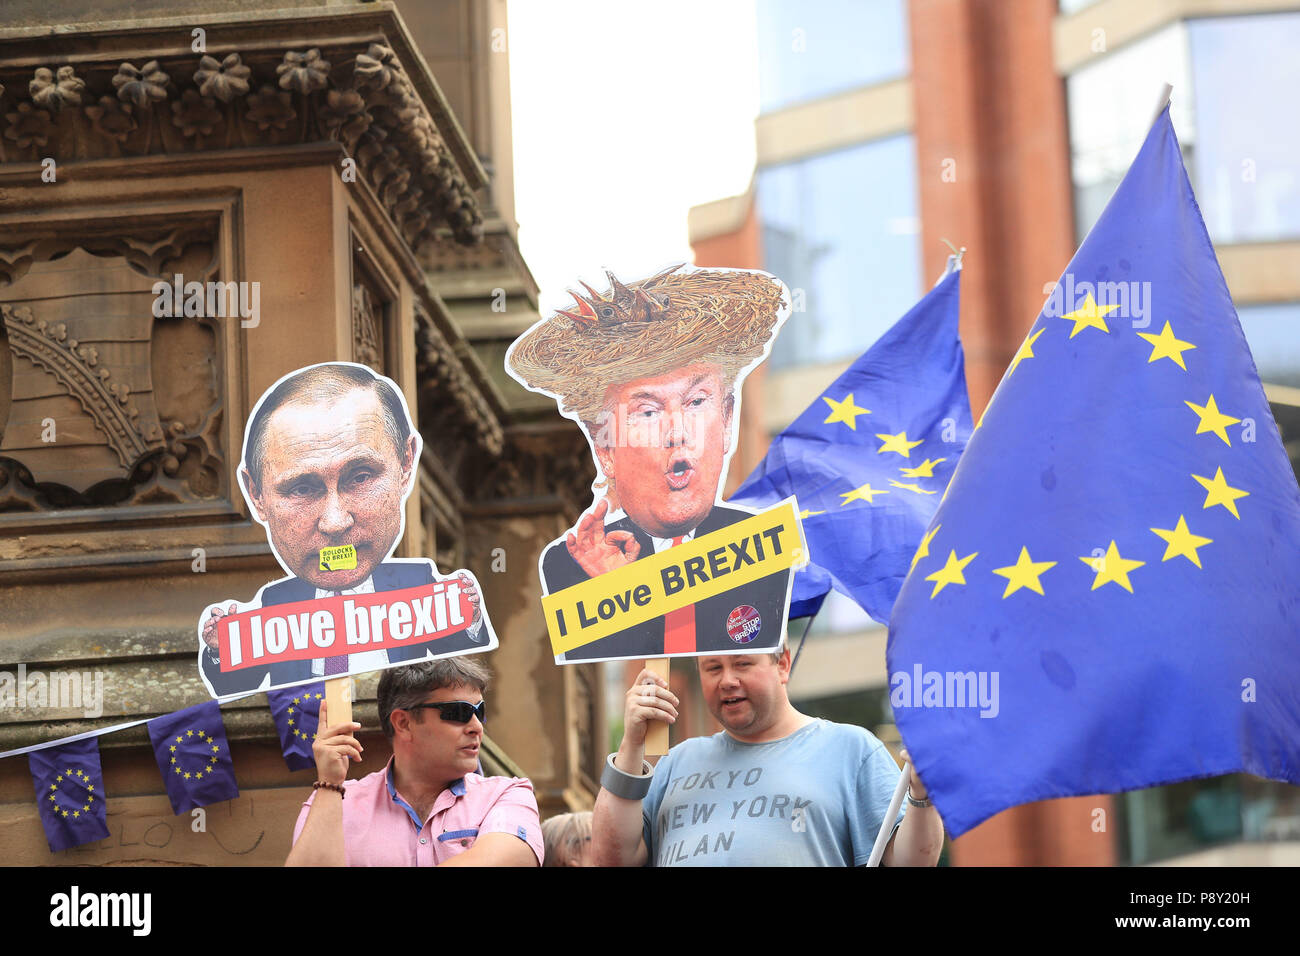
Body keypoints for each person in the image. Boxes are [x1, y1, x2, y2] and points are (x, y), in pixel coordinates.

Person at [507, 267, 793, 662]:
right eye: (647, 411)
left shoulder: (762, 550)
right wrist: (621, 598)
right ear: (604, 446)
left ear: (726, 420)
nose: (677, 432)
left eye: (695, 403)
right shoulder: (573, 566)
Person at [198, 363, 486, 696]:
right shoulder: (274, 604)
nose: (335, 522)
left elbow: (459, 658)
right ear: (256, 494)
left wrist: (472, 614)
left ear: (406, 464)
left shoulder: (420, 584)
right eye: (301, 489)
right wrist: (222, 648)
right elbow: (235, 684)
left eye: (361, 477)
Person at [591, 648, 944, 867]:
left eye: (742, 663)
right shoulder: (674, 762)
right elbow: (610, 859)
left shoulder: (851, 748)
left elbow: (912, 862)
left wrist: (922, 796)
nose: (727, 680)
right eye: (712, 668)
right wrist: (632, 744)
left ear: (783, 664)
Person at [285, 658, 542, 866]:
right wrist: (330, 783)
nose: (476, 726)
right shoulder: (336, 802)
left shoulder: (507, 795)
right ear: (404, 723)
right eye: (459, 712)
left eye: (479, 711)